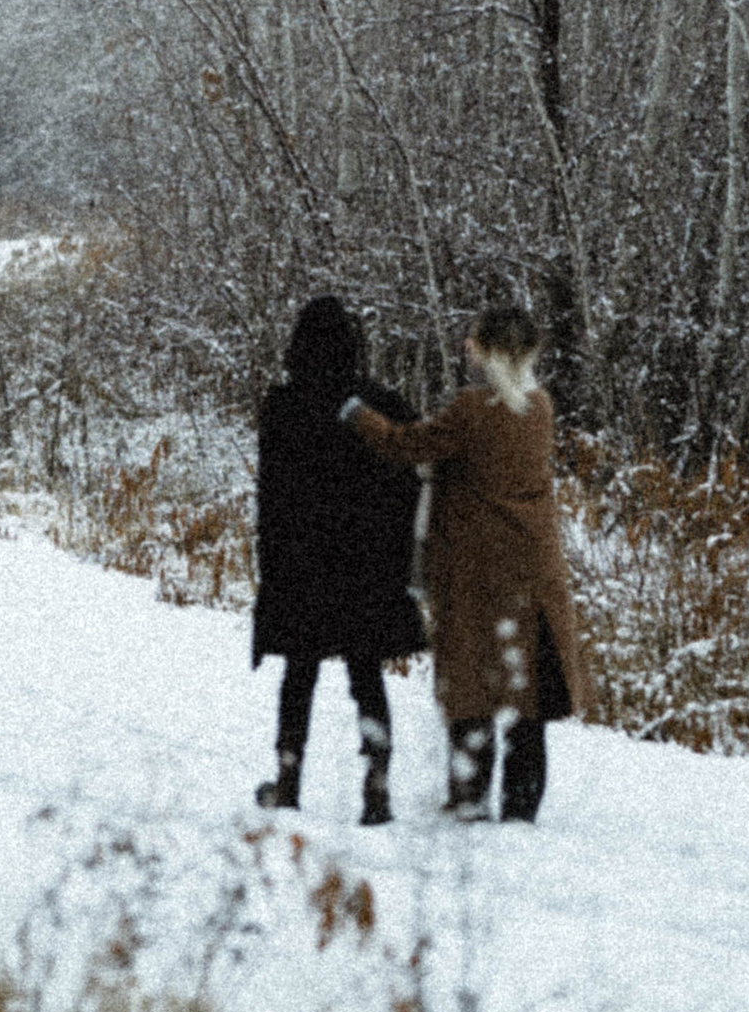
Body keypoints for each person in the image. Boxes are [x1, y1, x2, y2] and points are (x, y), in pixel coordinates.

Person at [339, 298, 590, 824]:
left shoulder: (471, 412)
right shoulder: (539, 408)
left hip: (477, 569)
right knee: (526, 697)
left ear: (490, 352)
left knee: (473, 683)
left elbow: (405, 445)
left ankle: (469, 798)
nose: (466, 346)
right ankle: (521, 810)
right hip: (534, 567)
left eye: (474, 340)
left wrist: (356, 413)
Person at [249, 292, 426, 824]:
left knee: (299, 676)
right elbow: (410, 483)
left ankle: (288, 779)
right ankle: (377, 788)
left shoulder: (281, 406)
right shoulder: (381, 405)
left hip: (302, 565)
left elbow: (271, 494)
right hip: (364, 566)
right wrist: (397, 561)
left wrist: (271, 564)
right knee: (366, 674)